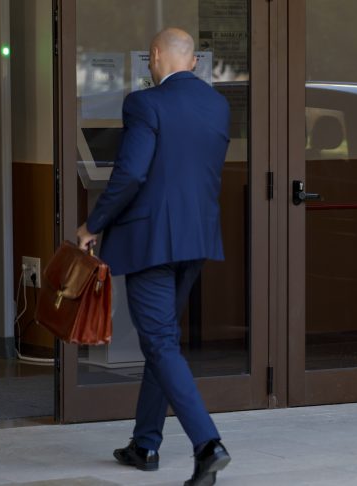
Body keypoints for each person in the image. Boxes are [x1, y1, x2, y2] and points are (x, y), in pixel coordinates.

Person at [77, 27, 231, 486]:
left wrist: (92, 225)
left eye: (150, 58)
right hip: (196, 239)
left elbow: (130, 175)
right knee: (161, 341)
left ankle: (208, 445)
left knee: (160, 342)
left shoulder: (144, 104)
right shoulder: (217, 105)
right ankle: (145, 443)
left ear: (157, 55)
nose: (150, 64)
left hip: (151, 241)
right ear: (194, 62)